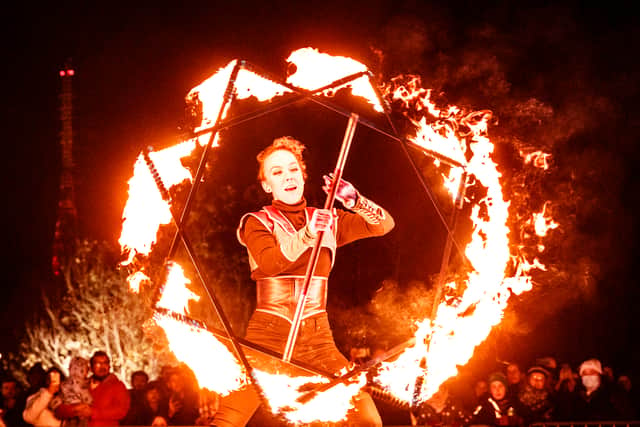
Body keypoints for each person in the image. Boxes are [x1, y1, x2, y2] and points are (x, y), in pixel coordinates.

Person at [213, 136, 395, 427]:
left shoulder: (328, 218)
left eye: (293, 169)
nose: (287, 176)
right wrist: (309, 234)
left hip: (318, 339)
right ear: (266, 185)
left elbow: (383, 224)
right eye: (277, 172)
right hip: (269, 338)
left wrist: (355, 201)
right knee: (227, 421)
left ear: (303, 174)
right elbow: (272, 263)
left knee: (367, 419)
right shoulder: (257, 222)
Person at [55, 351, 130, 427]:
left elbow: (121, 411)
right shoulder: (77, 385)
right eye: (97, 363)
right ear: (90, 368)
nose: (102, 366)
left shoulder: (117, 386)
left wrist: (92, 412)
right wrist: (74, 409)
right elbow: (58, 411)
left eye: (105, 363)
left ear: (109, 366)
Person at [56, 357, 92, 427]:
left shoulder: (89, 384)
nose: (77, 373)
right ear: (69, 369)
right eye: (74, 369)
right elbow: (59, 400)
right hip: (70, 412)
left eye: (81, 370)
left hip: (83, 414)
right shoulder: (64, 385)